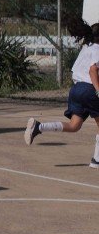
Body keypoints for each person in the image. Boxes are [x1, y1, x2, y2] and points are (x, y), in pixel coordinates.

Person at [25, 17, 99, 169]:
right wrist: (98, 90)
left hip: (76, 90)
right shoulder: (98, 49)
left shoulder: (86, 48)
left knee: (74, 125)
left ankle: (39, 127)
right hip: (89, 89)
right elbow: (93, 70)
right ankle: (96, 160)